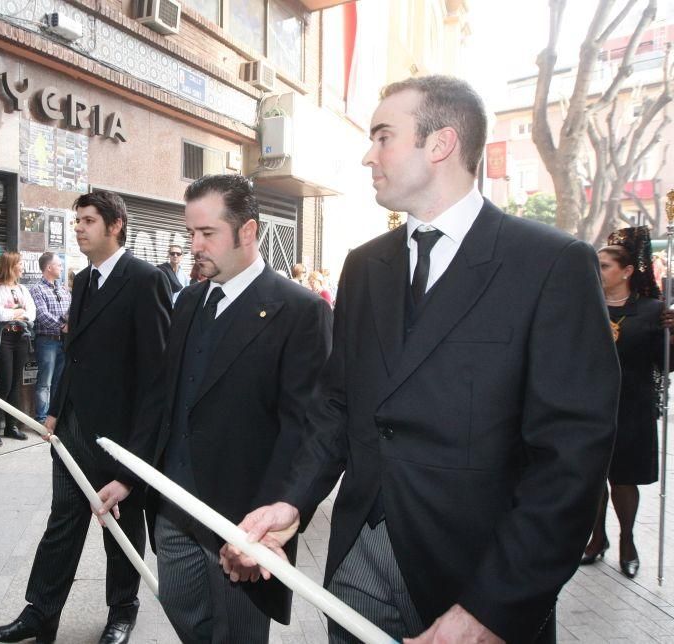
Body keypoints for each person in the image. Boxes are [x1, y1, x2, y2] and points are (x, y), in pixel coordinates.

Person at [222, 75, 619, 644]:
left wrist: (493, 609)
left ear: (441, 144)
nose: (367, 155)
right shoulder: (363, 266)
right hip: (358, 559)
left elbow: (571, 460)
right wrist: (292, 501)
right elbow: (337, 406)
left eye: (383, 136)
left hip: (473, 578)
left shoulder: (550, 265)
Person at [0, 190, 171, 644]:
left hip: (120, 438)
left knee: (120, 527)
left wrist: (135, 463)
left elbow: (158, 378)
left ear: (114, 225)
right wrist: (55, 412)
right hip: (74, 429)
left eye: (87, 220)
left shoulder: (146, 280)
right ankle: (40, 613)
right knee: (62, 520)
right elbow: (73, 354)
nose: (78, 228)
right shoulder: (81, 282)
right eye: (77, 219)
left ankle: (122, 612)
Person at [150, 174, 333, 643]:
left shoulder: (300, 311)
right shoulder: (189, 300)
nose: (194, 245)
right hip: (173, 512)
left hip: (240, 523)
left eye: (207, 233)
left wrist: (272, 518)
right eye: (190, 232)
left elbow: (302, 428)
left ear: (247, 231)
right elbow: (168, 400)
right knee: (181, 610)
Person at [580, 228, 666, 579]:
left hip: (633, 405)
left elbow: (666, 363)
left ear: (627, 270)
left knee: (624, 477)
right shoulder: (585, 306)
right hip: (588, 405)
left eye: (604, 265)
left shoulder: (652, 310)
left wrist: (672, 336)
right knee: (593, 477)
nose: (597, 271)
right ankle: (596, 538)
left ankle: (627, 541)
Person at [0, 252, 36, 447]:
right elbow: (0, 315)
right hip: (3, 339)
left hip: (20, 338)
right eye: (20, 264)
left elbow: (33, 314)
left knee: (16, 385)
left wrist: (17, 314)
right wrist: (20, 312)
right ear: (11, 266)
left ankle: (11, 426)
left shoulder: (22, 288)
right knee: (4, 384)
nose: (23, 267)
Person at [29, 252, 70, 425]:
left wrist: (69, 322)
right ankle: (41, 418)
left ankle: (55, 416)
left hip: (64, 340)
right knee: (45, 381)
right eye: (58, 265)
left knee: (59, 381)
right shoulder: (37, 289)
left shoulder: (63, 289)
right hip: (47, 340)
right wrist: (62, 325)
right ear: (49, 267)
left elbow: (70, 309)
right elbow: (42, 315)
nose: (61, 268)